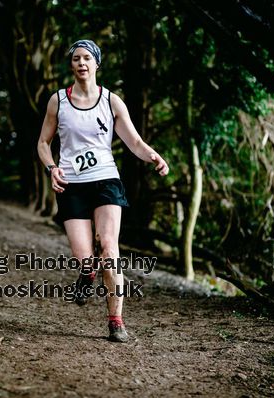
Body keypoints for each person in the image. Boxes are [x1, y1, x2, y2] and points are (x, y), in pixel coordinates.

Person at [36, 39, 169, 342]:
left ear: (97, 63)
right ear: (71, 66)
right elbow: (43, 142)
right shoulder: (58, 101)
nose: (81, 63)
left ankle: (116, 321)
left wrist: (154, 157)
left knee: (109, 248)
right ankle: (87, 273)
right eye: (76, 59)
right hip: (71, 185)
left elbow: (133, 141)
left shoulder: (112, 102)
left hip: (106, 179)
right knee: (86, 258)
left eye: (87, 58)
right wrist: (51, 168)